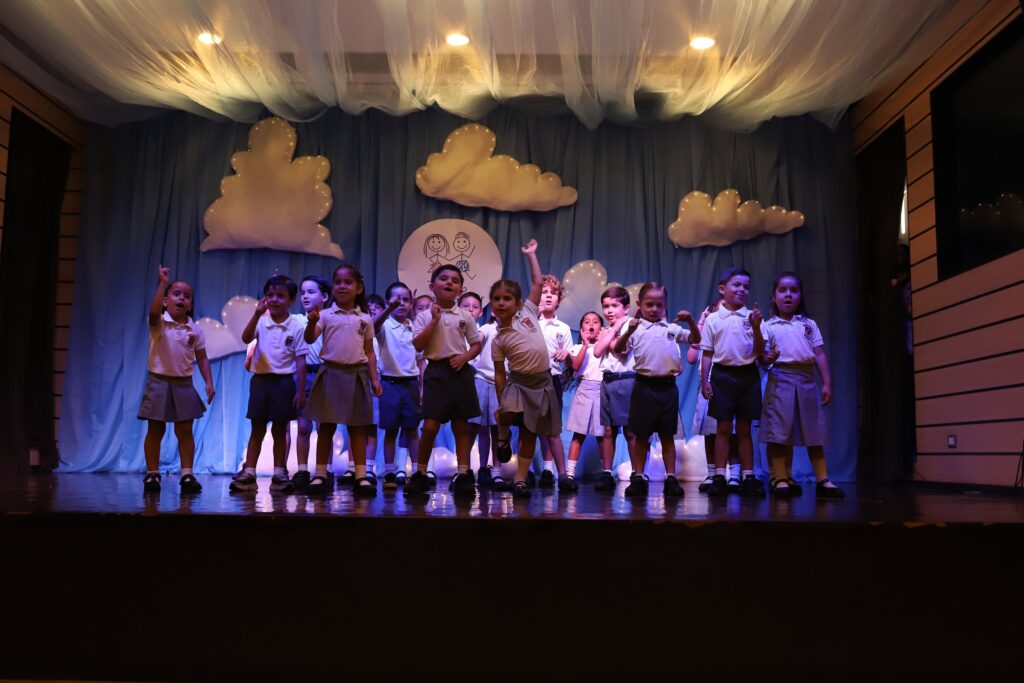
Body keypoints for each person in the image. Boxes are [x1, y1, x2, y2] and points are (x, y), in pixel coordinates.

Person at [759, 272, 844, 499]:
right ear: (774, 296)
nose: (788, 295)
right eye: (782, 290)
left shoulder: (808, 324)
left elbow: (819, 354)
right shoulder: (768, 326)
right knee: (778, 431)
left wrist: (827, 383)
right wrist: (767, 357)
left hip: (806, 380)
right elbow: (761, 357)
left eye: (794, 290)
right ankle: (780, 477)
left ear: (800, 296)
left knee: (814, 430)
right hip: (780, 379)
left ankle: (823, 478)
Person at [611, 283, 700, 497]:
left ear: (665, 306)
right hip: (644, 387)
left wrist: (690, 320)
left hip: (667, 388)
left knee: (667, 436)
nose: (654, 309)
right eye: (649, 304)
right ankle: (639, 477)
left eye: (659, 305)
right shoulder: (635, 328)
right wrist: (629, 331)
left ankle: (671, 478)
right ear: (639, 304)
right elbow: (618, 349)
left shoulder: (671, 329)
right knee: (641, 436)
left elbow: (696, 339)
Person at [303, 264, 383, 496]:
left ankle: (360, 475)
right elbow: (310, 339)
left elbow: (370, 352)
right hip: (330, 373)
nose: (342, 286)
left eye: (348, 282)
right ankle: (320, 473)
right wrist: (311, 322)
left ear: (358, 288)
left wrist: (374, 379)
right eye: (337, 282)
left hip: (356, 374)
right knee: (325, 426)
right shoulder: (325, 315)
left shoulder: (365, 318)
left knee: (357, 427)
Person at [492, 240, 563, 499]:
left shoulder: (528, 314)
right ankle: (502, 434)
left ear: (518, 302)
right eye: (497, 299)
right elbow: (500, 373)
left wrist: (532, 254)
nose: (502, 303)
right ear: (492, 304)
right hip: (518, 383)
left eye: (507, 298)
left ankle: (520, 479)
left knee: (530, 432)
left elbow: (537, 283)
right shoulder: (498, 339)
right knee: (507, 414)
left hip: (541, 383)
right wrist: (502, 400)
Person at [404, 265, 482, 497]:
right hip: (436, 372)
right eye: (444, 279)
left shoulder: (465, 316)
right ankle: (420, 473)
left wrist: (465, 357)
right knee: (429, 426)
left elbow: (476, 344)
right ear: (432, 286)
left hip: (460, 372)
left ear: (460, 289)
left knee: (461, 426)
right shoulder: (423, 316)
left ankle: (463, 474)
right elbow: (418, 344)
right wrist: (434, 321)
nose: (449, 283)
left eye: (455, 280)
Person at [138, 265, 215, 493]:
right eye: (176, 294)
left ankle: (187, 474)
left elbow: (202, 358)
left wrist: (209, 382)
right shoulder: (159, 324)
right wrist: (162, 283)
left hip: (184, 384)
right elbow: (153, 313)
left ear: (190, 305)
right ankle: (152, 473)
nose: (182, 298)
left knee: (185, 430)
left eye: (187, 296)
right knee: (156, 429)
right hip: (159, 382)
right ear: (165, 301)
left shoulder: (195, 330)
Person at [231, 275, 309, 493]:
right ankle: (249, 472)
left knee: (280, 430)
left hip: (284, 383)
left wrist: (301, 391)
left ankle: (279, 473)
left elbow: (301, 361)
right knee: (257, 429)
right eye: (270, 295)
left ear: (290, 300)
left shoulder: (296, 326)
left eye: (280, 296)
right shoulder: (261, 321)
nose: (274, 299)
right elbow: (246, 338)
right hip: (261, 381)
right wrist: (256, 314)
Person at [700, 268, 767, 497]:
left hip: (748, 375)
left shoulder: (753, 317)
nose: (742, 289)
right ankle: (720, 476)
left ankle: (748, 476)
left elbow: (760, 351)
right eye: (736, 285)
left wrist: (756, 326)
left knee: (745, 429)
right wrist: (704, 381)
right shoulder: (713, 319)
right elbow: (707, 353)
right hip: (722, 376)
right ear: (722, 289)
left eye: (746, 286)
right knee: (723, 428)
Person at [687, 301, 742, 493]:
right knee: (710, 435)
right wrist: (701, 322)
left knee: (732, 434)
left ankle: (734, 475)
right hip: (708, 390)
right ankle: (712, 475)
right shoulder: (705, 334)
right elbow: (691, 357)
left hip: (728, 387)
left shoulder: (733, 333)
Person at [373, 282, 421, 492]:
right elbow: (373, 326)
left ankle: (418, 472)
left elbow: (420, 360)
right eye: (396, 300)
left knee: (412, 430)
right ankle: (390, 472)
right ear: (387, 302)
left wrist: (422, 387)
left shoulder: (415, 327)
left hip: (411, 383)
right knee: (391, 430)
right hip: (390, 383)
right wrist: (387, 310)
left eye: (406, 300)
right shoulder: (384, 325)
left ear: (411, 304)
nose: (401, 304)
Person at [592, 286, 636, 493]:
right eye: (606, 306)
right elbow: (597, 351)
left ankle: (637, 473)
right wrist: (612, 330)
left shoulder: (631, 325)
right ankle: (607, 473)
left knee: (630, 430)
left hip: (626, 379)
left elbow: (622, 349)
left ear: (626, 308)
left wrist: (613, 330)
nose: (609, 310)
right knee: (608, 429)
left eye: (614, 306)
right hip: (608, 380)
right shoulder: (608, 328)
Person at [536, 273, 575, 491]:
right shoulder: (529, 322)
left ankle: (559, 474)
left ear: (559, 299)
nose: (549, 296)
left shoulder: (563, 328)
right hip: (530, 380)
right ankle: (528, 473)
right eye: (544, 292)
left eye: (553, 293)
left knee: (552, 428)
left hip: (552, 379)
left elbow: (570, 361)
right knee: (529, 428)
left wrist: (566, 354)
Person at [459, 292, 501, 488]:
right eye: (466, 305)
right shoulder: (485, 328)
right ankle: (464, 469)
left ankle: (493, 470)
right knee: (473, 427)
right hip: (480, 381)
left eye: (475, 306)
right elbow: (477, 340)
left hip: (501, 384)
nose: (470, 309)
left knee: (497, 429)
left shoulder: (513, 333)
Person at [292, 275, 330, 491]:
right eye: (303, 292)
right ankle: (302, 470)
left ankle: (325, 470)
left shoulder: (331, 318)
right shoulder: (297, 320)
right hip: (304, 375)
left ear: (324, 296)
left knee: (325, 427)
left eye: (311, 292)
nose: (305, 296)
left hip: (326, 374)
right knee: (303, 426)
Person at [564, 311, 605, 485]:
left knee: (602, 436)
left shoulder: (606, 348)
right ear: (581, 328)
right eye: (587, 322)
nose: (591, 325)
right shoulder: (576, 348)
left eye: (595, 321)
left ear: (601, 327)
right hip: (584, 389)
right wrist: (584, 345)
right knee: (578, 434)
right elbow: (575, 365)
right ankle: (570, 474)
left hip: (602, 390)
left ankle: (606, 473)